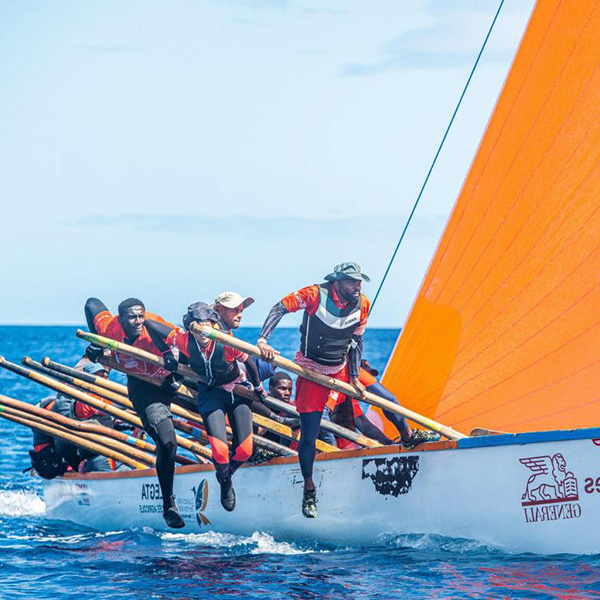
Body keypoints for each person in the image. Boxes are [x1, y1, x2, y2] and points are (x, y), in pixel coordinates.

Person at [257, 262, 371, 518]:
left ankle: (406, 439)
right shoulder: (314, 294)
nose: (358, 286)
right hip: (311, 371)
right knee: (309, 434)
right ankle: (309, 490)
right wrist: (263, 340)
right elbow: (280, 308)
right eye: (352, 281)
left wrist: (353, 377)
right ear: (337, 282)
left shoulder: (362, 303)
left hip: (339, 370)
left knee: (376, 403)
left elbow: (357, 340)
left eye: (360, 282)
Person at [146, 293, 268, 512]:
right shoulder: (183, 340)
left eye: (207, 326)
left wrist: (258, 387)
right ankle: (226, 482)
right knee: (220, 452)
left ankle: (225, 475)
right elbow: (150, 324)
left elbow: (250, 361)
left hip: (237, 391)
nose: (203, 332)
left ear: (214, 324)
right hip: (211, 393)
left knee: (245, 450)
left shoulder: (227, 341)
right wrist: (167, 354)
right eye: (198, 327)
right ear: (190, 327)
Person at [84, 297, 185, 528]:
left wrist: (175, 372)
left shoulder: (156, 327)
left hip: (174, 381)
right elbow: (91, 304)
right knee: (168, 443)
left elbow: (189, 348)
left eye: (141, 316)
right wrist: (98, 344)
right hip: (144, 386)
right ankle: (168, 504)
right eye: (132, 317)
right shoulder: (111, 328)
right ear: (121, 319)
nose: (138, 322)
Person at [358, 360, 439, 448]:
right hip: (345, 373)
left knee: (388, 400)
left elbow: (389, 399)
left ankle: (398, 442)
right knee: (356, 419)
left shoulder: (358, 366)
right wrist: (354, 378)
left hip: (350, 367)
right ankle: (399, 440)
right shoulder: (355, 374)